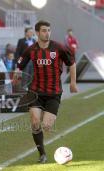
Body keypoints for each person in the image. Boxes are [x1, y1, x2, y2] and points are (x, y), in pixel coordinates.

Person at [17, 20, 78, 163]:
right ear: (37, 32)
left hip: (54, 93)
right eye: (44, 30)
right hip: (35, 92)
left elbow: (72, 63)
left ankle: (46, 124)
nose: (47, 33)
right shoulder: (31, 49)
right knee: (35, 122)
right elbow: (20, 64)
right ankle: (42, 154)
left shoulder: (59, 48)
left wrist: (73, 83)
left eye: (49, 30)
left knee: (47, 126)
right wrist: (17, 74)